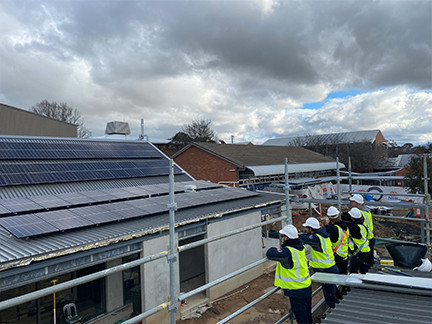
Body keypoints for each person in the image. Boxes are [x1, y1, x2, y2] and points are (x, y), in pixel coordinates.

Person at [266, 225, 313, 324]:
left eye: (283, 236)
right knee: (307, 315)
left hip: (296, 290)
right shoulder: (300, 247)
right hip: (306, 287)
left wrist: (276, 248)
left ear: (286, 237)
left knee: (302, 319)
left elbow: (270, 253)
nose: (283, 238)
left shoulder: (288, 252)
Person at [299, 217, 339, 309]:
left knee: (329, 295)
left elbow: (302, 238)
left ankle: (334, 311)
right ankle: (336, 306)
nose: (305, 230)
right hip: (329, 268)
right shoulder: (322, 234)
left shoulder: (316, 238)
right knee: (331, 291)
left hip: (326, 270)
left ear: (311, 229)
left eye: (307, 228)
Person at [324, 206, 349, 297]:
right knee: (343, 275)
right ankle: (345, 291)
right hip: (344, 254)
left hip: (337, 255)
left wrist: (327, 225)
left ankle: (338, 295)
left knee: (334, 278)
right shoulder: (344, 226)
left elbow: (331, 236)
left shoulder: (333, 229)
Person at [350, 194, 375, 268]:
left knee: (362, 260)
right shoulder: (367, 210)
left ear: (357, 203)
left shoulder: (359, 212)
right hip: (370, 237)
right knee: (369, 259)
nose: (351, 203)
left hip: (364, 239)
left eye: (353, 202)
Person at [344, 207, 370, 274]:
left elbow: (347, 228)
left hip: (358, 252)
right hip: (365, 251)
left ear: (352, 218)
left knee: (353, 271)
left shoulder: (355, 228)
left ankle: (355, 283)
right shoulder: (362, 226)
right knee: (363, 270)